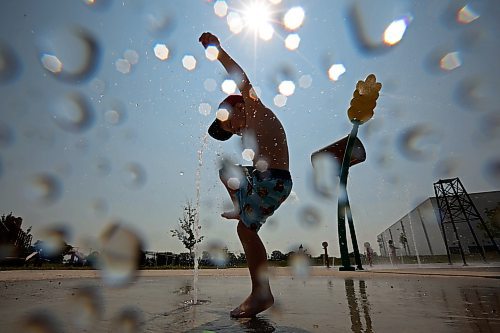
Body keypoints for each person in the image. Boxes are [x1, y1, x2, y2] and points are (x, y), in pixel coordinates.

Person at [199, 32, 293, 318]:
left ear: (238, 106)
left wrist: (217, 50)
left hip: (274, 181)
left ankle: (261, 293)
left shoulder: (254, 107)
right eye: (231, 132)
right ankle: (242, 207)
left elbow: (241, 77)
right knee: (227, 171)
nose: (237, 131)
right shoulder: (249, 121)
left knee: (244, 230)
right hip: (266, 179)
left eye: (232, 125)